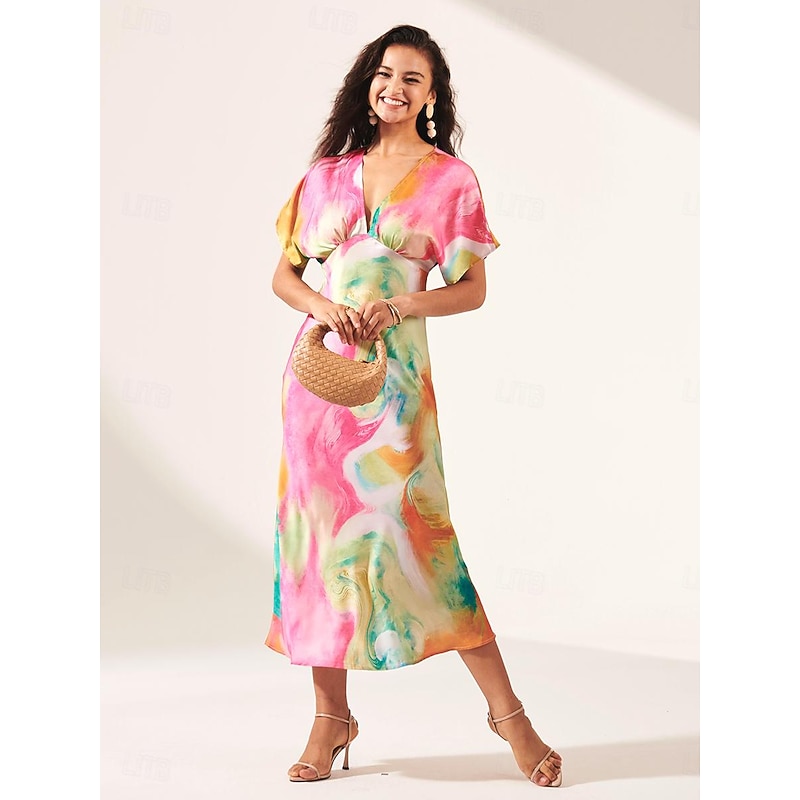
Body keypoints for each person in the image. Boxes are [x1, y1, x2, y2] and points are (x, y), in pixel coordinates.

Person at [265, 24, 563, 788]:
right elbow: (284, 277)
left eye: (413, 79)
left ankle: (510, 718)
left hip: (395, 393)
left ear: (432, 96)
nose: (395, 88)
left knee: (427, 544)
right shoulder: (327, 175)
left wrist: (399, 307)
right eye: (386, 73)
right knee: (321, 552)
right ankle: (331, 719)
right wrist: (326, 309)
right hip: (319, 388)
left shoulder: (450, 181)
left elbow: (472, 289)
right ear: (367, 81)